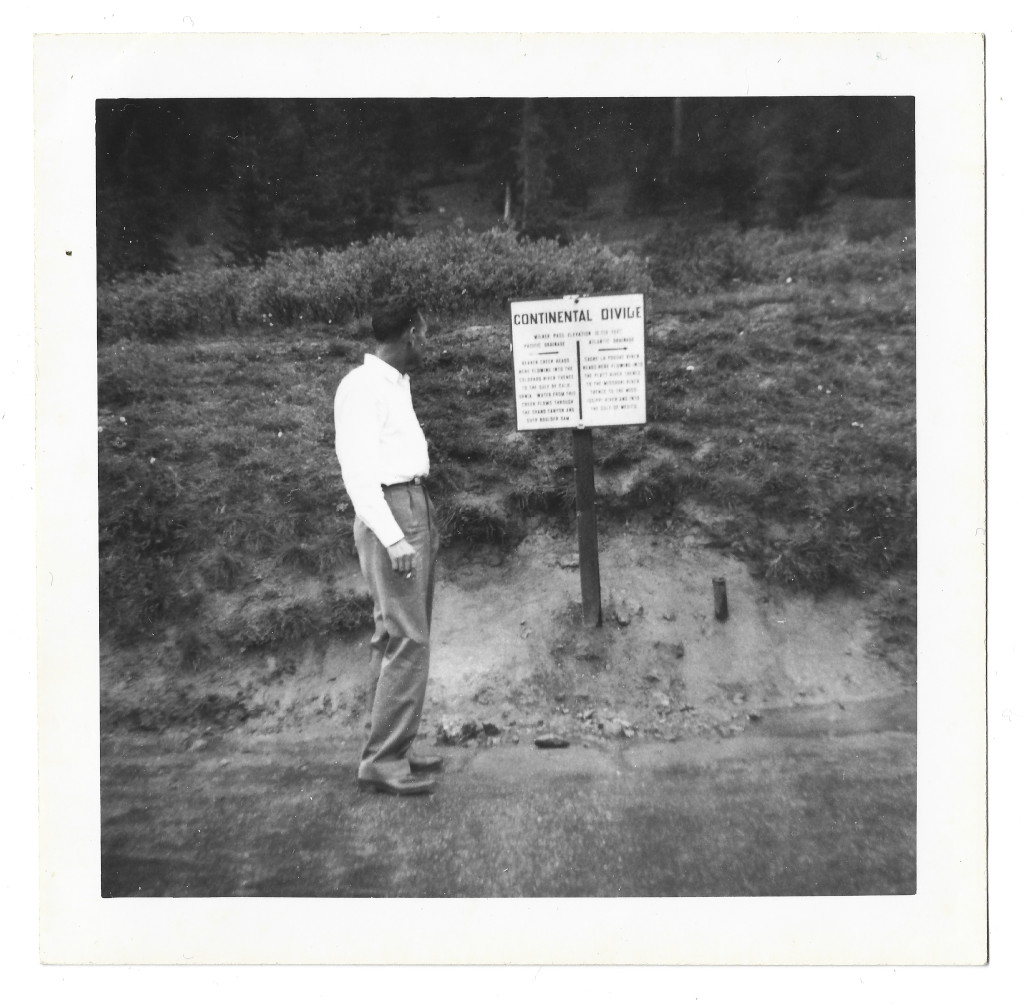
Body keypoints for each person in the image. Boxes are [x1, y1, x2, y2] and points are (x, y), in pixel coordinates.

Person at [334, 298, 443, 796]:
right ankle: (382, 759)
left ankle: (392, 744)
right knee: (408, 637)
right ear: (410, 334)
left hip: (413, 503)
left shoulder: (395, 384)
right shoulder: (362, 388)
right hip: (391, 511)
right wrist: (393, 535)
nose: (428, 340)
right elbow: (358, 473)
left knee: (394, 631)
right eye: (425, 332)